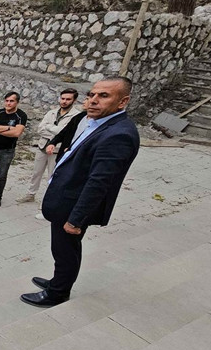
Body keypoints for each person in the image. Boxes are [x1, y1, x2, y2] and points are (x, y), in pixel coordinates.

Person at [21, 77, 140, 308]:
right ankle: (58, 281)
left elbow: (99, 182)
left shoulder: (119, 134)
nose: (93, 101)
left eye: (104, 96)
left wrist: (76, 219)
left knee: (66, 250)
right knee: (62, 248)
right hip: (66, 198)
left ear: (123, 101)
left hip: (73, 205)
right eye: (92, 95)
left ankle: (57, 293)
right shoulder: (97, 123)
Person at [18, 88, 82, 203]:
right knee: (36, 173)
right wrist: (56, 131)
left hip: (57, 150)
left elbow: (66, 134)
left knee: (52, 177)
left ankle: (47, 200)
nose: (64, 101)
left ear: (74, 100)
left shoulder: (76, 116)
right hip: (42, 147)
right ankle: (31, 194)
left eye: (68, 99)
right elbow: (40, 129)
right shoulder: (51, 112)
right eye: (62, 98)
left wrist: (50, 128)